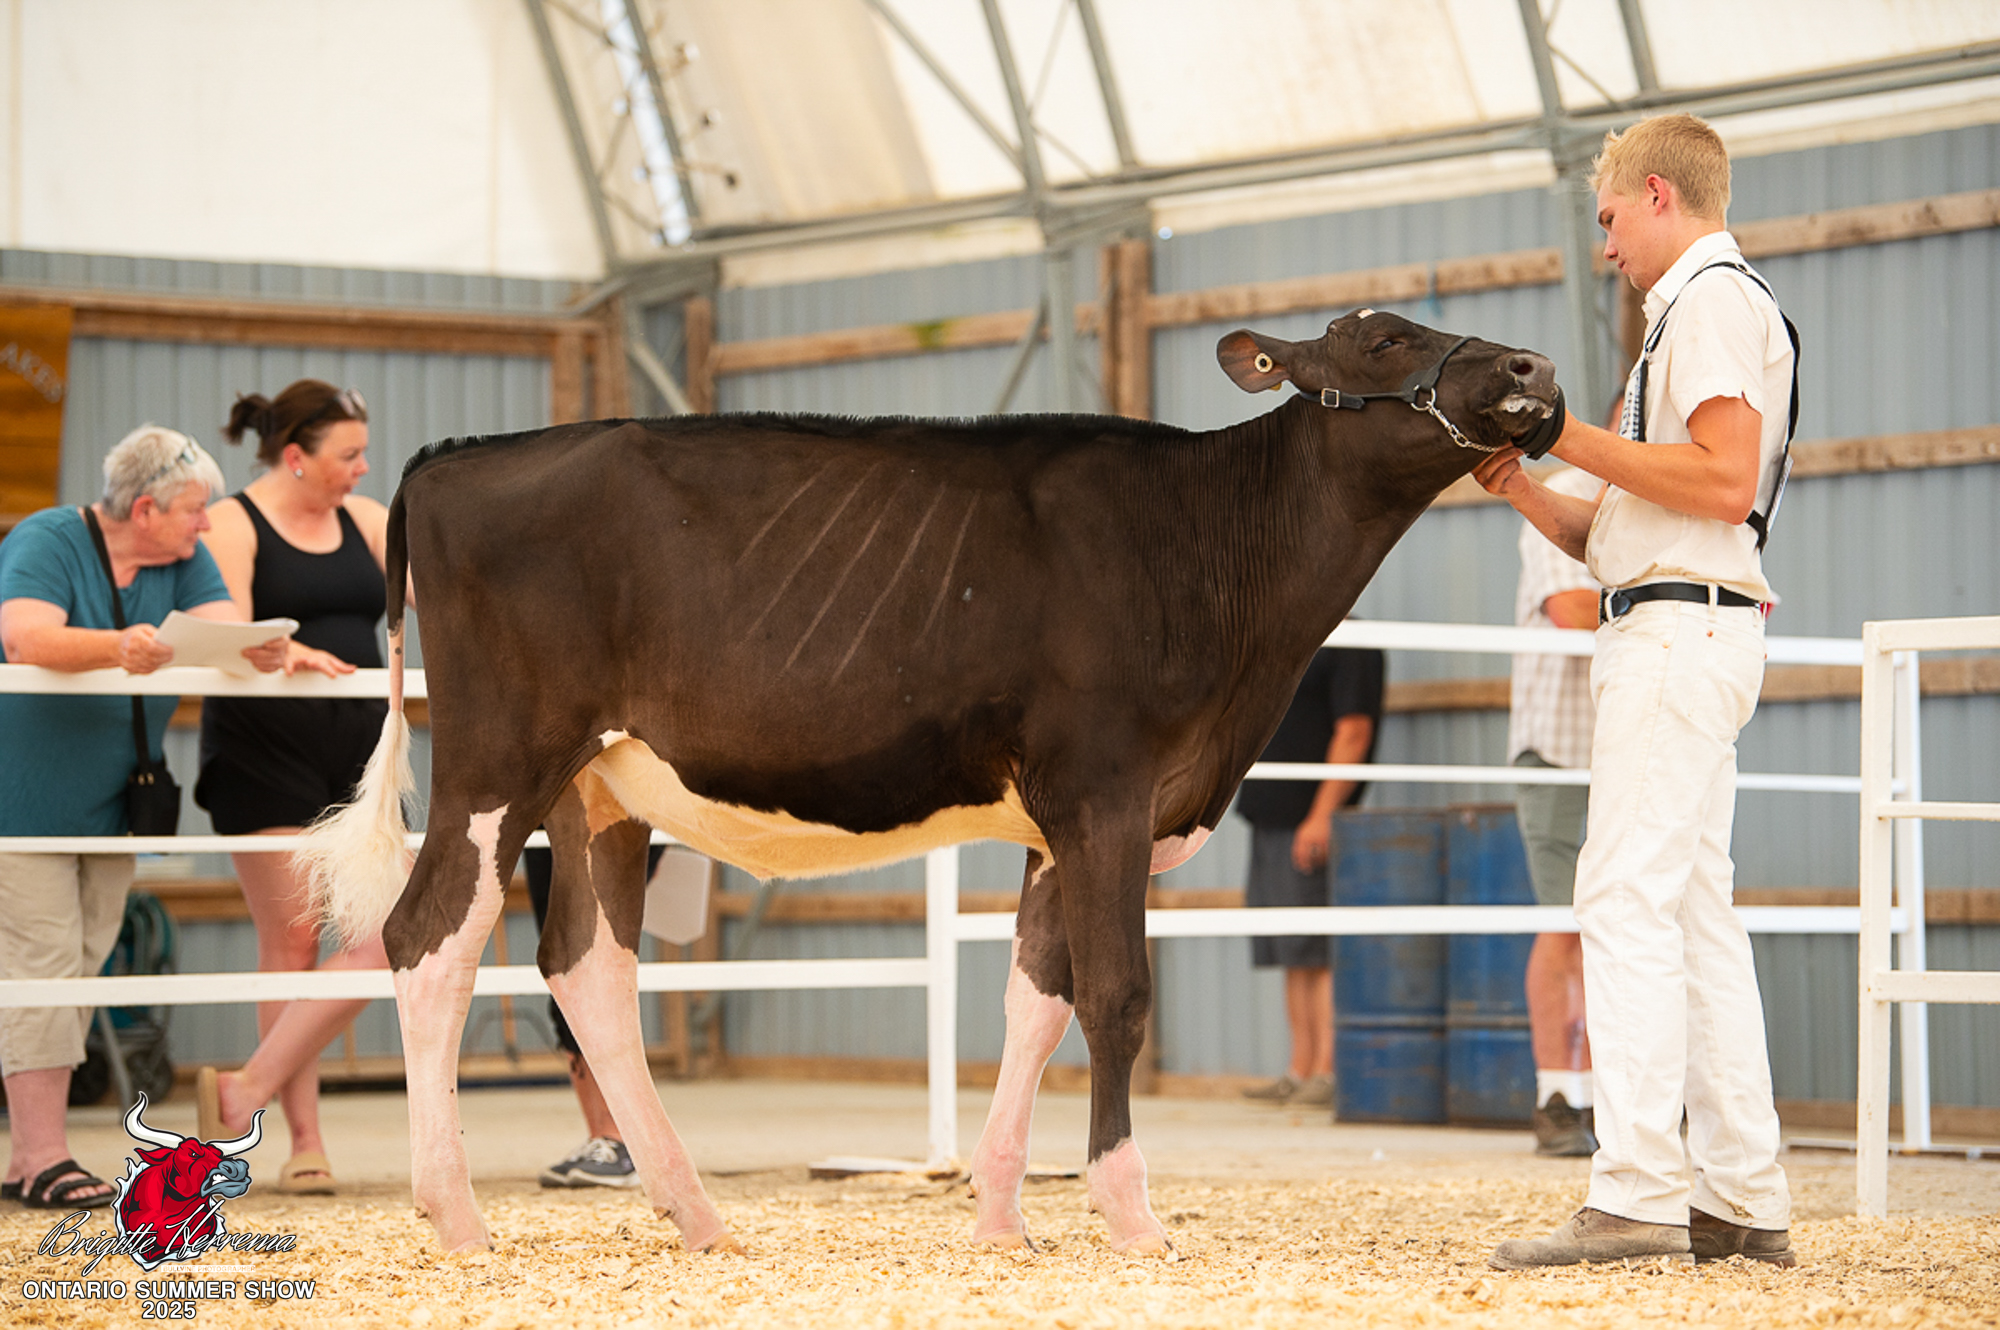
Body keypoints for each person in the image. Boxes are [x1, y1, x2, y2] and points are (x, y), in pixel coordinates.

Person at [1478, 113, 1797, 1269]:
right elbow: (1623, 528)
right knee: (1694, 914)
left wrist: (1564, 430)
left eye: (1610, 217)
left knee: (1617, 900)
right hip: (1681, 621)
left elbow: (1718, 481)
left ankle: (1635, 1190)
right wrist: (1520, 481)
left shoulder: (1706, 300)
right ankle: (1739, 1193)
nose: (1604, 244)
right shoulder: (1695, 310)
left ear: (1657, 194)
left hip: (1671, 636)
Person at [0, 427, 302, 1210]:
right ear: (144, 510)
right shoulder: (47, 539)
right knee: (44, 966)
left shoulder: (184, 558)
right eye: (194, 510)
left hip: (111, 807)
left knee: (78, 965)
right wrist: (118, 647)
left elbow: (225, 628)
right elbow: (24, 637)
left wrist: (261, 651)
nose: (207, 523)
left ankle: (28, 1154)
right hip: (19, 809)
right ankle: (43, 1156)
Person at [193, 381, 392, 1197]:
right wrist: (286, 652)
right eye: (349, 455)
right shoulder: (233, 522)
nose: (363, 467)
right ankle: (304, 1141)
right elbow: (227, 627)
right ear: (296, 456)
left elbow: (437, 595)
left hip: (363, 750)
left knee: (391, 932)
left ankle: (244, 1091)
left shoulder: (369, 519)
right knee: (296, 939)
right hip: (263, 747)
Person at [1236, 638, 1384, 1107]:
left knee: (1320, 949)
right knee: (1292, 949)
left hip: (1310, 821)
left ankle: (1327, 1071)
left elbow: (1354, 731)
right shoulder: (1288, 637)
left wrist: (1322, 816)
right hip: (1271, 819)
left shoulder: (1352, 643)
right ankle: (1299, 1071)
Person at [1508, 464, 1602, 1157]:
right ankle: (1557, 1096)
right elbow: (1571, 608)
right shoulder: (1563, 495)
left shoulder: (1661, 505)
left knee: (1615, 927)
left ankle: (1606, 1094)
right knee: (1563, 924)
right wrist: (1669, 607)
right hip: (1561, 747)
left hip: (1628, 746)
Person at [523, 843, 663, 1188]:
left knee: (596, 961)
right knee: (563, 972)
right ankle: (601, 1137)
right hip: (544, 824)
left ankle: (623, 1140)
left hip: (605, 823)